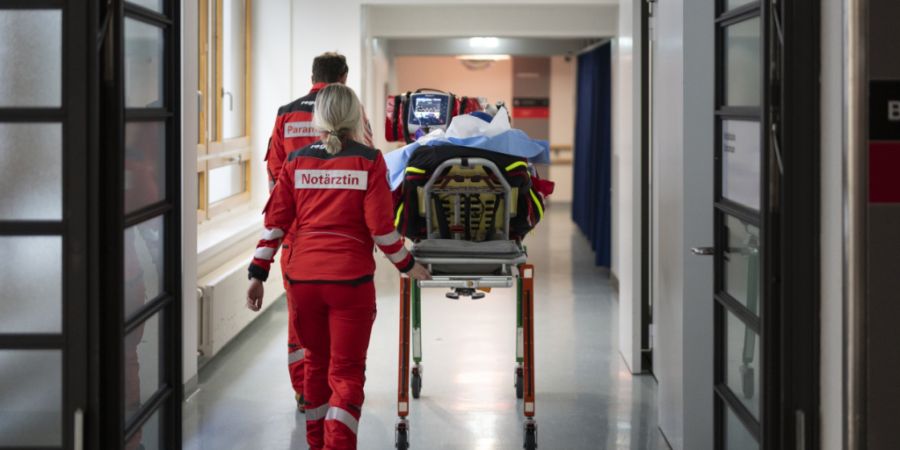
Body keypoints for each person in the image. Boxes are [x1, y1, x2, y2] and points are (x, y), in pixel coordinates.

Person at [246, 84, 431, 449]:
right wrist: (409, 265)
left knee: (315, 365)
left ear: (319, 118)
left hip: (303, 281)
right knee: (345, 374)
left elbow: (276, 223)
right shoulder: (368, 159)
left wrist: (257, 273)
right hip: (350, 283)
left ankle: (316, 444)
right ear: (355, 117)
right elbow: (381, 229)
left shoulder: (296, 160)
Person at [263, 52, 374, 412]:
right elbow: (367, 159)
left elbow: (275, 176)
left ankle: (306, 392)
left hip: (296, 233)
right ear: (343, 78)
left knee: (301, 317)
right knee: (344, 320)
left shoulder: (286, 114)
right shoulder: (352, 113)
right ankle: (338, 389)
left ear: (313, 76)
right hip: (345, 235)